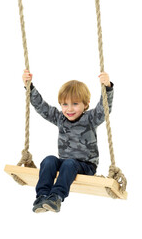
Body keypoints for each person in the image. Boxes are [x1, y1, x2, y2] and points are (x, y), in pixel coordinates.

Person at [22, 70, 114, 213]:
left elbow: (104, 108)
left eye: (75, 104)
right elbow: (42, 107)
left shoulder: (90, 119)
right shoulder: (60, 119)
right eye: (65, 104)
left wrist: (107, 87)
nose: (69, 109)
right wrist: (30, 86)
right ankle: (42, 196)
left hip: (86, 166)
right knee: (49, 160)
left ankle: (56, 197)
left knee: (70, 163)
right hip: (65, 163)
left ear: (86, 104)